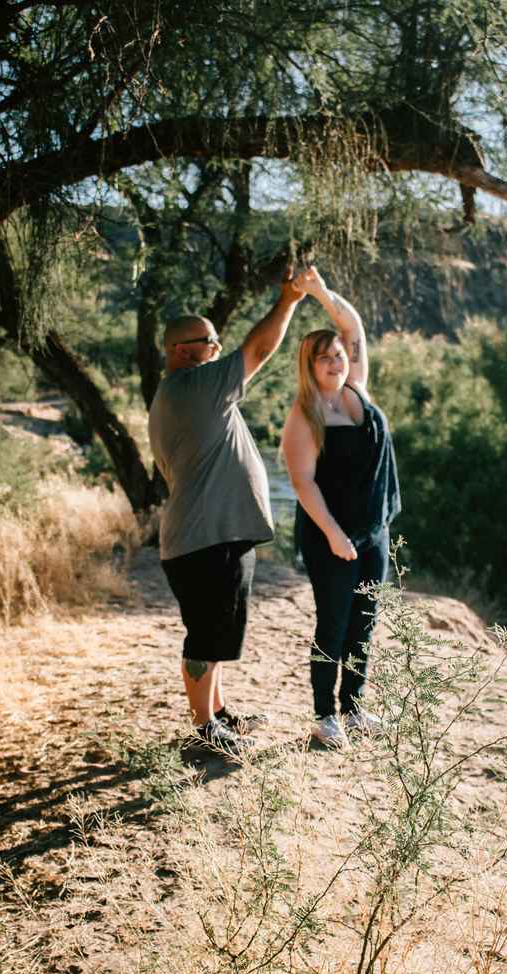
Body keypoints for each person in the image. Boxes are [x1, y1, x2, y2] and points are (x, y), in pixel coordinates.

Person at [148, 271, 304, 752]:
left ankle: (217, 714)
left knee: (215, 632)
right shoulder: (193, 387)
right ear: (182, 350)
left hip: (213, 535)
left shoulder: (191, 391)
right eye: (210, 342)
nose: (219, 348)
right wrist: (288, 300)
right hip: (205, 539)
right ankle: (203, 732)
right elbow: (258, 350)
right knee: (206, 634)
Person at [281, 266, 401, 748]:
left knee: (364, 623)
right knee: (332, 623)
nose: (336, 362)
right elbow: (302, 483)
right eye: (325, 359)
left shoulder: (357, 392)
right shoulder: (305, 415)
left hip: (373, 531)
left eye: (338, 356)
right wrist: (334, 534)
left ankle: (353, 710)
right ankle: (323, 716)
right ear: (309, 366)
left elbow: (353, 328)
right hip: (330, 534)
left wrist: (320, 291)